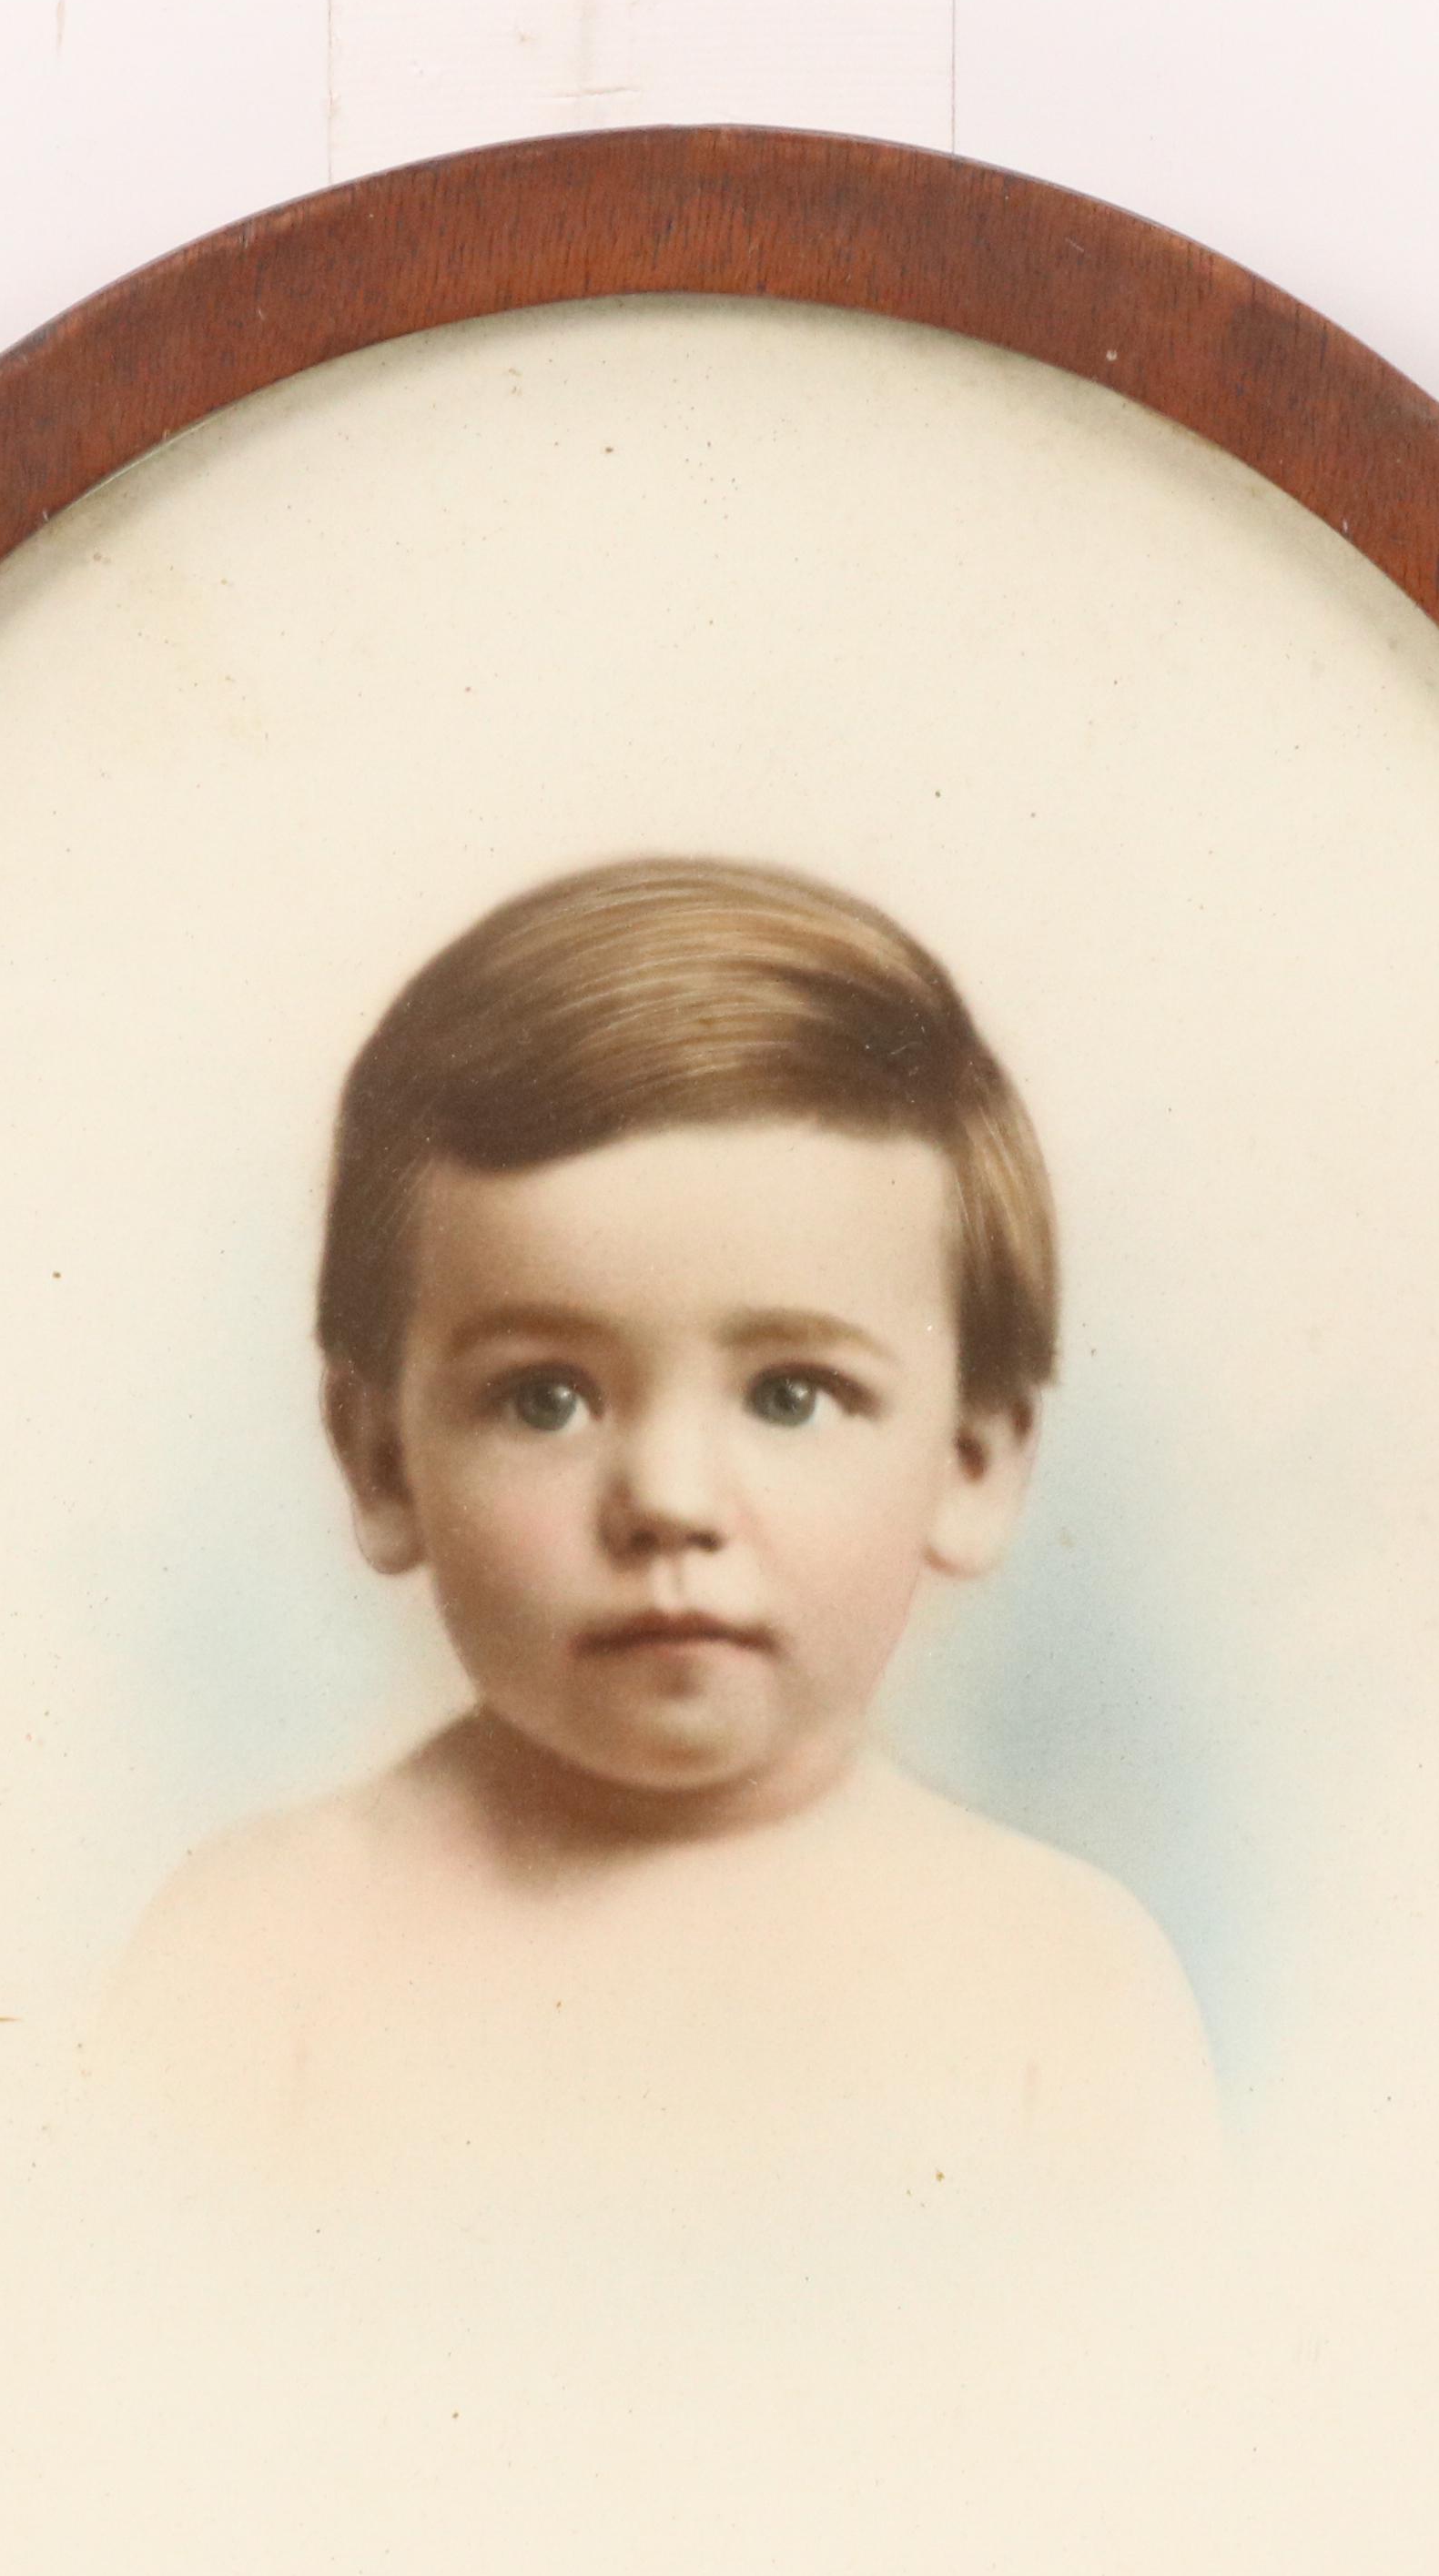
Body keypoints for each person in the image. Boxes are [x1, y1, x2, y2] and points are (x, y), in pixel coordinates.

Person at [89, 857, 1219, 2210]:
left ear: (972, 1461)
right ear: (380, 1457)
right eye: (546, 1398)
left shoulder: (1063, 1983)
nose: (670, 1500)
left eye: (791, 1396)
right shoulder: (255, 1956)